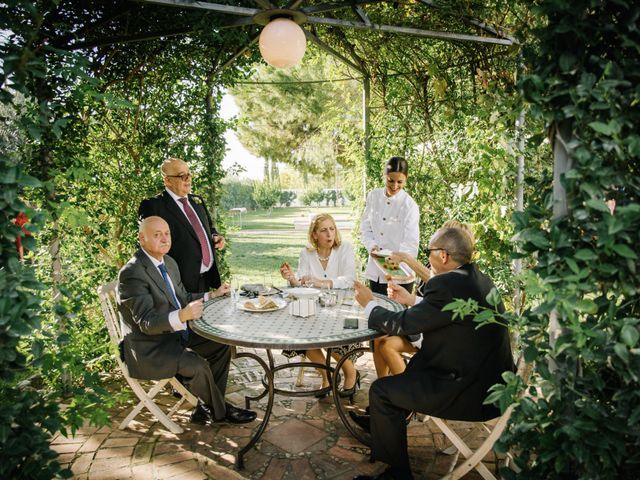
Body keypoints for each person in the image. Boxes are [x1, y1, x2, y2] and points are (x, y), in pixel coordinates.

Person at [350, 227, 515, 480]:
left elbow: (401, 325)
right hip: (493, 385)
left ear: (444, 255)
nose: (427, 258)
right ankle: (384, 426)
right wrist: (413, 301)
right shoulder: (477, 278)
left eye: (429, 252)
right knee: (415, 366)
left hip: (470, 392)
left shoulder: (446, 284)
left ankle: (398, 475)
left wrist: (369, 304)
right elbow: (445, 312)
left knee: (381, 392)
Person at [118, 216, 256, 426]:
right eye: (157, 235)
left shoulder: (169, 263)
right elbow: (147, 323)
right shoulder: (133, 273)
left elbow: (182, 297)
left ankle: (207, 406)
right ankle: (221, 411)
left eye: (167, 234)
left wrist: (213, 294)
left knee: (221, 343)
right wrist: (182, 315)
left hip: (173, 335)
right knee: (196, 364)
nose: (165, 239)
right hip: (150, 348)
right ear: (141, 238)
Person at [375, 221, 476, 377]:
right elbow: (434, 302)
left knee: (386, 344)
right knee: (380, 339)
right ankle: (384, 383)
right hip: (426, 324)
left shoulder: (461, 275)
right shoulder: (437, 266)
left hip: (438, 335)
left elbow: (439, 287)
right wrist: (409, 298)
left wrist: (407, 259)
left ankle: (405, 391)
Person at [279, 213, 361, 398]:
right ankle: (327, 376)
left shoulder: (345, 249)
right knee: (302, 334)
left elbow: (350, 280)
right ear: (314, 235)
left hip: (342, 308)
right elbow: (301, 284)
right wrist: (292, 278)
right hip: (313, 308)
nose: (329, 234)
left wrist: (321, 283)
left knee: (335, 336)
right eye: (324, 230)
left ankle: (350, 373)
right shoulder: (306, 253)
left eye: (332, 229)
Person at [360, 156, 420, 378]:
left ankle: (398, 382)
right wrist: (371, 245)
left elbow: (411, 243)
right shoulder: (373, 197)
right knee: (376, 330)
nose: (394, 186)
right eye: (390, 181)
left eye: (399, 182)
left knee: (391, 332)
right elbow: (365, 227)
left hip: (399, 276)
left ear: (406, 181)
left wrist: (395, 262)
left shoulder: (409, 206)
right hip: (376, 272)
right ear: (384, 177)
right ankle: (381, 381)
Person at [138, 157, 225, 293]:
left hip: (207, 279)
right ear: (167, 180)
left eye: (189, 174)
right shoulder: (153, 206)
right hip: (179, 284)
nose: (188, 179)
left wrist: (215, 236)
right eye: (182, 176)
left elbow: (208, 227)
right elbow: (148, 245)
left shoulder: (197, 201)